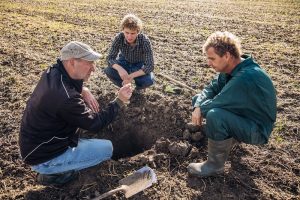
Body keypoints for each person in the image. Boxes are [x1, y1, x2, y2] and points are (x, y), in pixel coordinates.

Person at [19, 41, 133, 186]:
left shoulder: (54, 71)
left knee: (87, 138)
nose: (93, 69)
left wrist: (83, 89)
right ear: (73, 62)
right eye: (89, 63)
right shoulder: (66, 97)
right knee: (107, 148)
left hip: (36, 145)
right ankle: (53, 174)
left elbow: (66, 91)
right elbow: (95, 124)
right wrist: (119, 101)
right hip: (44, 156)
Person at [187, 31, 277, 177]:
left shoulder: (245, 77)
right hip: (244, 117)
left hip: (257, 129)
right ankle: (225, 139)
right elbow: (211, 88)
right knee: (199, 99)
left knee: (215, 115)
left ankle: (214, 165)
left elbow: (219, 101)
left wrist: (200, 109)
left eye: (212, 59)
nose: (208, 63)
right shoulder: (231, 69)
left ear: (227, 56)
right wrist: (197, 105)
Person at [104, 14, 155, 92]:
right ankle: (125, 86)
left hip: (139, 64)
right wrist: (120, 69)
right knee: (108, 71)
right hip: (124, 62)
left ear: (138, 32)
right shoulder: (119, 38)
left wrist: (131, 76)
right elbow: (110, 58)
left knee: (149, 81)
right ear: (123, 30)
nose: (129, 36)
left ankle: (138, 89)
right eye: (127, 33)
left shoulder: (145, 41)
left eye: (132, 33)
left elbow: (150, 66)